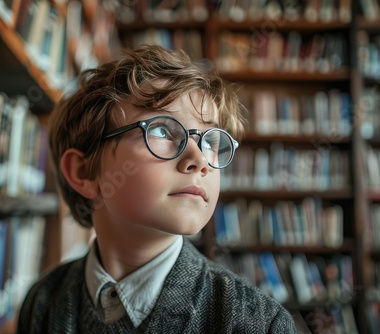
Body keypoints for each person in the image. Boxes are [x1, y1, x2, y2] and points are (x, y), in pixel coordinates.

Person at [17, 45, 297, 333]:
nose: (200, 159)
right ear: (85, 172)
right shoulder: (42, 302)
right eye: (162, 130)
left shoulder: (259, 324)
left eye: (211, 141)